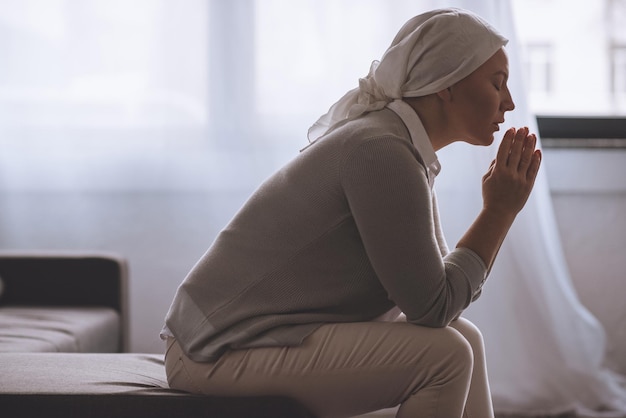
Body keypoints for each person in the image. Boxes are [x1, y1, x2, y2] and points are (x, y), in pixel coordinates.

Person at [161, 7, 542, 418]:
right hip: (213, 351)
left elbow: (439, 298)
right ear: (446, 86)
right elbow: (432, 306)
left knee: (464, 337)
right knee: (446, 354)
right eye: (496, 83)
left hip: (238, 340)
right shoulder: (381, 150)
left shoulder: (399, 145)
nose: (509, 102)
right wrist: (499, 212)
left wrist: (500, 209)